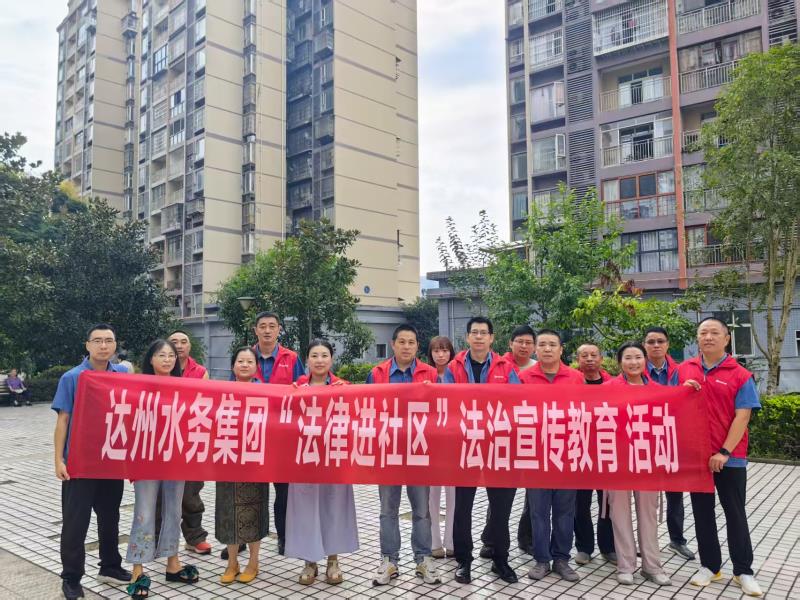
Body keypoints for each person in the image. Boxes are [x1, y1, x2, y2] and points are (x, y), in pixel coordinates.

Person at [678, 317, 763, 597]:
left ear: (726, 339)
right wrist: (682, 390)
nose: (708, 337)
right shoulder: (684, 370)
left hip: (730, 457)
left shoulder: (740, 374)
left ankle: (743, 571)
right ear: (697, 338)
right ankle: (710, 566)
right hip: (697, 458)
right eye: (703, 332)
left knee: (735, 514)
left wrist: (724, 451)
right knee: (702, 513)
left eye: (715, 332)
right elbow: (669, 404)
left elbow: (743, 416)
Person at [52, 324, 132, 600]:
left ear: (115, 345)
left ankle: (110, 566)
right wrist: (58, 460)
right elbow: (63, 420)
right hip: (79, 463)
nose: (103, 346)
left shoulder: (122, 374)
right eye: (97, 341)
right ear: (87, 345)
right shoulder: (72, 377)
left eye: (108, 340)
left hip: (110, 461)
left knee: (110, 517)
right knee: (76, 523)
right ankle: (71, 578)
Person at [442, 316, 521, 585]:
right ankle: (464, 561)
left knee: (501, 508)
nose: (478, 337)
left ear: (491, 338)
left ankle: (500, 559)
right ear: (467, 337)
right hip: (465, 447)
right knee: (462, 508)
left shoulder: (505, 368)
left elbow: (517, 401)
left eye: (483, 333)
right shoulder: (454, 368)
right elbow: (446, 402)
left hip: (498, 446)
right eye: (474, 332)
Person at [366, 324, 441, 586]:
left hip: (419, 451)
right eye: (402, 342)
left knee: (421, 510)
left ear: (417, 346)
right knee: (388, 509)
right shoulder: (377, 374)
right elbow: (366, 409)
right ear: (393, 344)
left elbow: (441, 411)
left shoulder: (430, 374)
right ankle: (389, 560)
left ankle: (423, 559)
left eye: (411, 342)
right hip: (388, 451)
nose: (406, 347)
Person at [126, 339, 199, 598]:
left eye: (171, 355)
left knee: (173, 511)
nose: (167, 359)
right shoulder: (138, 388)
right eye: (161, 355)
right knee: (144, 512)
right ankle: (138, 569)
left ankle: (173, 562)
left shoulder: (184, 387)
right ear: (151, 359)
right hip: (146, 459)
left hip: (176, 458)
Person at [286, 339, 359, 585]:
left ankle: (333, 560)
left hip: (334, 458)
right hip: (304, 459)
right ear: (306, 360)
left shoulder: (344, 388)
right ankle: (309, 562)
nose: (319, 360)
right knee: (305, 510)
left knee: (334, 507)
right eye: (314, 355)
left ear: (331, 359)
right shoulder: (294, 389)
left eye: (324, 355)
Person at [604, 341, 672, 587]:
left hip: (647, 461)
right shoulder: (607, 389)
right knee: (619, 514)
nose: (633, 362)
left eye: (638, 357)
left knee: (648, 514)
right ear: (619, 362)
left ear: (645, 360)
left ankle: (652, 566)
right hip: (618, 461)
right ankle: (626, 565)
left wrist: (689, 391)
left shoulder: (658, 390)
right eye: (628, 358)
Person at [519, 329, 583, 583]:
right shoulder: (524, 378)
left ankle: (562, 559)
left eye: (552, 344)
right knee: (538, 511)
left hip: (567, 454)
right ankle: (542, 559)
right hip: (536, 455)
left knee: (565, 511)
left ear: (561, 349)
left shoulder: (575, 378)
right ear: (536, 349)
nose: (547, 349)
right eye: (542, 344)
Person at [249, 311, 305, 557]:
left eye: (272, 326)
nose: (267, 330)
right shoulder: (246, 356)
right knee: (249, 490)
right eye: (262, 326)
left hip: (283, 436)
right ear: (255, 330)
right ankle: (242, 537)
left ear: (279, 329)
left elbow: (302, 391)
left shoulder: (291, 358)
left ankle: (284, 537)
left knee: (284, 491)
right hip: (252, 434)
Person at [216, 347, 270, 585]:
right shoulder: (221, 393)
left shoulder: (267, 392)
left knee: (254, 511)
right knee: (228, 512)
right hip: (228, 460)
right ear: (233, 366)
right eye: (240, 361)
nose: (245, 365)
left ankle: (253, 562)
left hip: (255, 461)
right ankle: (232, 563)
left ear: (257, 367)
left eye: (250, 361)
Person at [642, 326, 694, 561]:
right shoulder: (635, 370)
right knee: (643, 496)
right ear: (644, 345)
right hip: (643, 440)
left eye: (660, 341)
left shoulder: (681, 372)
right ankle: (645, 541)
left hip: (673, 440)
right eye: (651, 341)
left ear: (667, 344)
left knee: (675, 493)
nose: (656, 345)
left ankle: (677, 540)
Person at [159, 330, 212, 557]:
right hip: (163, 440)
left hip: (191, 439)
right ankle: (160, 539)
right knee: (161, 493)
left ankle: (195, 537)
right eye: (174, 342)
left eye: (184, 342)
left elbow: (206, 405)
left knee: (191, 492)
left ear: (190, 347)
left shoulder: (200, 372)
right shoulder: (157, 371)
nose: (179, 346)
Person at [484, 325, 535, 557]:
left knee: (532, 493)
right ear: (510, 343)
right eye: (519, 341)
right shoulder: (498, 365)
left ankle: (527, 538)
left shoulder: (538, 368)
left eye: (528, 342)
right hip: (501, 437)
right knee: (499, 494)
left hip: (530, 436)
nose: (524, 346)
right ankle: (490, 540)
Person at [572, 342, 616, 566]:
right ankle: (584, 547)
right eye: (584, 355)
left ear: (601, 358)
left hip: (606, 451)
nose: (589, 359)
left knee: (607, 503)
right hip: (579, 451)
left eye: (593, 355)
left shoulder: (614, 384)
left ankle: (608, 547)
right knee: (580, 503)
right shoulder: (570, 384)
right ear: (577, 360)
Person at [426, 336, 456, 559]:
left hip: (454, 440)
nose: (441, 354)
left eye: (445, 350)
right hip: (430, 441)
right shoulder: (425, 375)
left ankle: (452, 541)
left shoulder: (457, 374)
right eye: (436, 350)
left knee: (453, 493)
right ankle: (434, 542)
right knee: (431, 494)